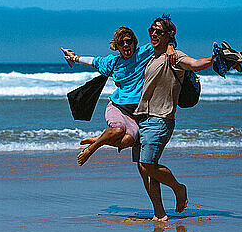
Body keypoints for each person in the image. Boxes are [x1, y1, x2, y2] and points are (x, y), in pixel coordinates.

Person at [133, 15, 214, 221]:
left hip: (160, 118)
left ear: (169, 35)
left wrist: (214, 59)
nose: (153, 34)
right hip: (142, 118)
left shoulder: (175, 56)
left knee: (149, 164)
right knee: (144, 168)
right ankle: (159, 213)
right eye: (151, 30)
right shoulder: (151, 56)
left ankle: (179, 188)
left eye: (158, 31)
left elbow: (195, 63)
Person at [64, 26, 176, 165]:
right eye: (121, 43)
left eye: (128, 41)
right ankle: (92, 149)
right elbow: (94, 61)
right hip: (117, 107)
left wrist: (170, 47)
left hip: (135, 113)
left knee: (128, 141)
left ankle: (99, 139)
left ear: (134, 42)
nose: (125, 45)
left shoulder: (144, 53)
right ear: (117, 46)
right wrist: (73, 57)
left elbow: (162, 42)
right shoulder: (114, 62)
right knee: (117, 130)